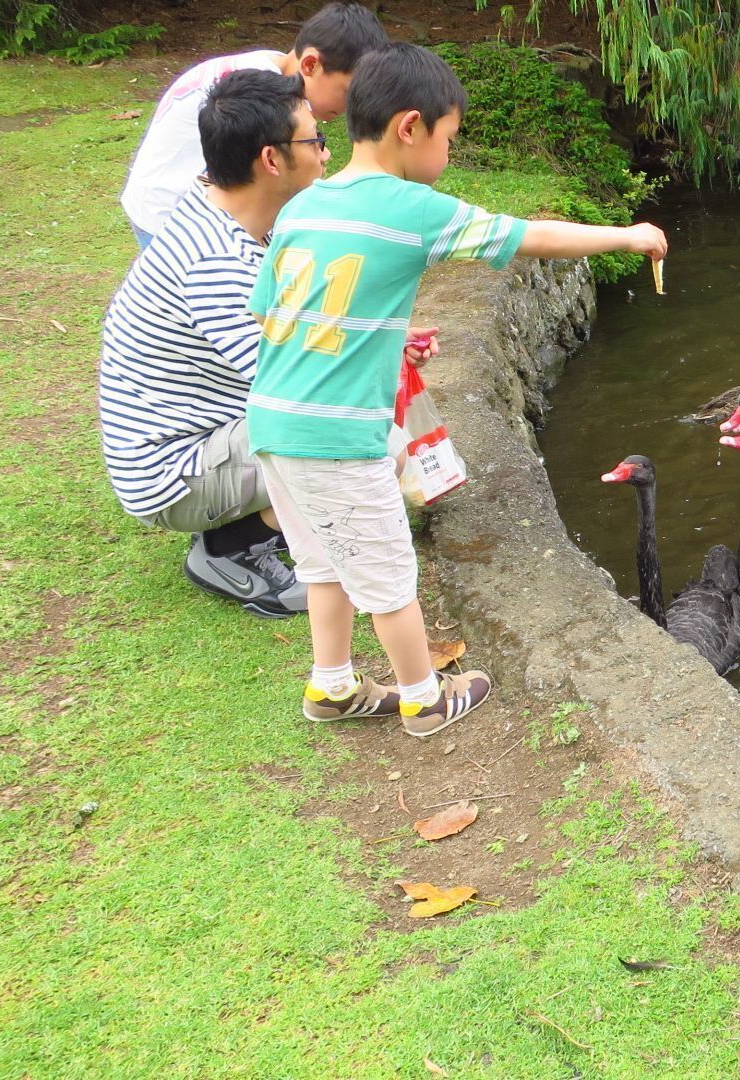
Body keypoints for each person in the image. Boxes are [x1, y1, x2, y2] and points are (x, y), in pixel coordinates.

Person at [247, 42, 667, 736]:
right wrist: (625, 235)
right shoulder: (414, 208)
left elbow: (273, 312)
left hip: (273, 421)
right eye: (449, 139)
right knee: (387, 575)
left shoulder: (303, 206)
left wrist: (377, 337)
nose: (448, 155)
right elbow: (527, 236)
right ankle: (423, 698)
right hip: (337, 433)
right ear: (410, 127)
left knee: (324, 563)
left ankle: (332, 687)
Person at [99, 70, 342, 618]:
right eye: (315, 140)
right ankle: (228, 547)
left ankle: (268, 521)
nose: (327, 152)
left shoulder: (224, 205)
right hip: (171, 473)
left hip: (207, 431)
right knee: (342, 430)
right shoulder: (215, 262)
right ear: (272, 161)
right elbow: (293, 385)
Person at [120, 2, 388, 249]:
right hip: (168, 209)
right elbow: (275, 181)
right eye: (347, 91)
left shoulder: (267, 67)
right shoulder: (261, 99)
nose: (348, 106)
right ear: (310, 64)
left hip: (179, 198)